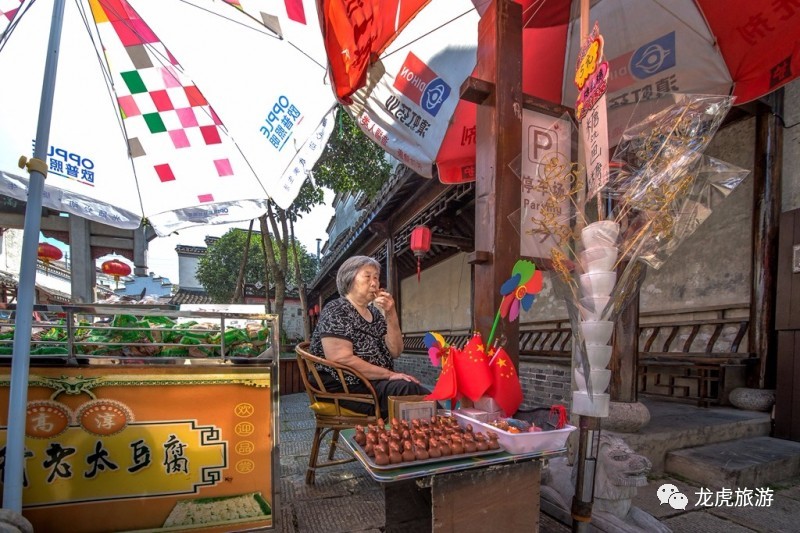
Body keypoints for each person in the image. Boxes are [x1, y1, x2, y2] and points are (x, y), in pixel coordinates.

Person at [309, 255, 429, 416]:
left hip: (373, 383)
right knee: (408, 389)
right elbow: (340, 358)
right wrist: (390, 375)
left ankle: (439, 432)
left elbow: (396, 351)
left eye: (376, 278)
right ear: (349, 279)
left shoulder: (374, 313)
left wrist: (391, 313)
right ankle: (448, 430)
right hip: (345, 388)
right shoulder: (337, 309)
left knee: (410, 389)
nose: (374, 283)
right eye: (367, 276)